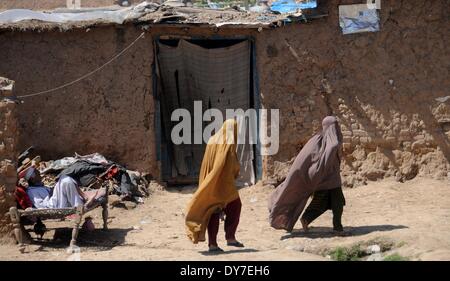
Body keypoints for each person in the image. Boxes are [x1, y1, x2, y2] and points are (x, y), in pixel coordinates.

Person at [268, 116, 346, 233]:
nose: (336, 129)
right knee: (335, 202)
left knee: (327, 202)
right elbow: (304, 159)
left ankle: (307, 219)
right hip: (324, 179)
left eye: (337, 126)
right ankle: (337, 228)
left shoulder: (326, 140)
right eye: (334, 127)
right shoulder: (320, 141)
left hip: (331, 179)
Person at [185, 119, 244, 252]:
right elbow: (230, 165)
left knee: (213, 209)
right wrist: (236, 170)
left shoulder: (212, 139)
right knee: (235, 205)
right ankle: (230, 237)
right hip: (223, 183)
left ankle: (213, 244)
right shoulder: (228, 143)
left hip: (209, 179)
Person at [24, 167, 101, 209]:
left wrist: (52, 191)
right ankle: (80, 204)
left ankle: (84, 198)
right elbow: (40, 206)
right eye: (38, 174)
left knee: (65, 179)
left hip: (56, 201)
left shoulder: (40, 186)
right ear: (32, 178)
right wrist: (51, 193)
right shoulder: (31, 192)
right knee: (65, 179)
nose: (40, 176)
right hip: (52, 206)